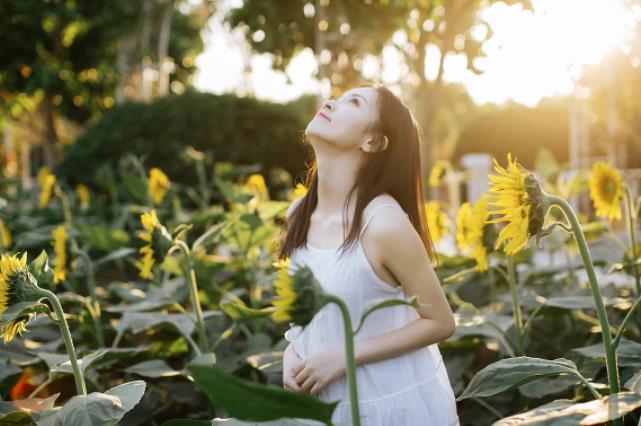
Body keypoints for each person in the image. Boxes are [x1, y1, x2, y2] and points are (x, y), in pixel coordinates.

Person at [278, 83, 460, 426]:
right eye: (338, 96)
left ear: (373, 141)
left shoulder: (383, 224)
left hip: (392, 409)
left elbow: (440, 321)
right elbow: (312, 320)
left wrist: (345, 357)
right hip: (322, 410)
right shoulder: (298, 214)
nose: (331, 102)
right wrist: (292, 354)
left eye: (354, 102)